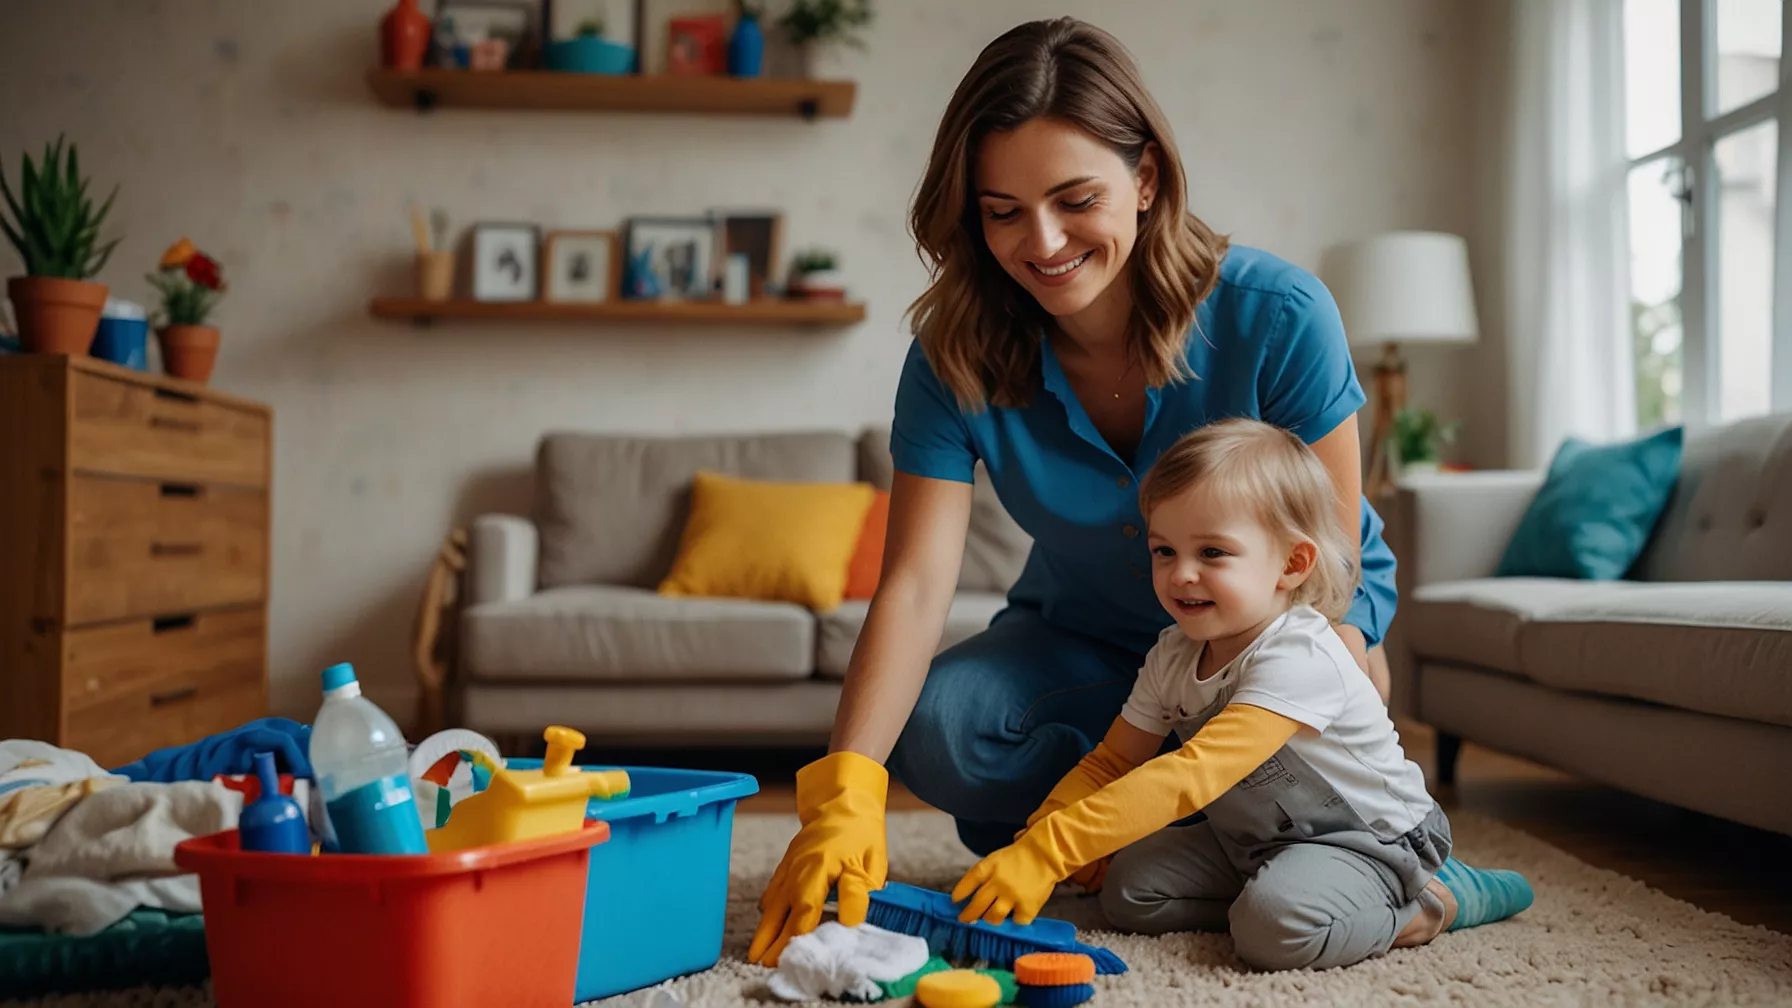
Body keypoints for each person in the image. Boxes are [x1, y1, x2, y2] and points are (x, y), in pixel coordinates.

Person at [749, 17, 1489, 966]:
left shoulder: (1279, 313)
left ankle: (1373, 869)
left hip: (1291, 628)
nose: (1042, 241)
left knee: (1303, 726)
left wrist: (1080, 824)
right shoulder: (953, 353)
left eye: (1075, 198)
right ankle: (1177, 836)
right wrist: (846, 785)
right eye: (1002, 209)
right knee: (942, 728)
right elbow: (916, 585)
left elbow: (1330, 573)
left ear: (1145, 181)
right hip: (1090, 636)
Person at [948, 419, 1534, 970]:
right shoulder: (1171, 655)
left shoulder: (1300, 653)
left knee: (1274, 930)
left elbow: (1191, 776)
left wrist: (1052, 850)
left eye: (1212, 553)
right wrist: (1039, 832)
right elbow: (1113, 761)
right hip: (1252, 841)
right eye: (1164, 551)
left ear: (1291, 563)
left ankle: (1436, 898)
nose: (1181, 575)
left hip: (1372, 842)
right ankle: (1285, 889)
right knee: (1129, 892)